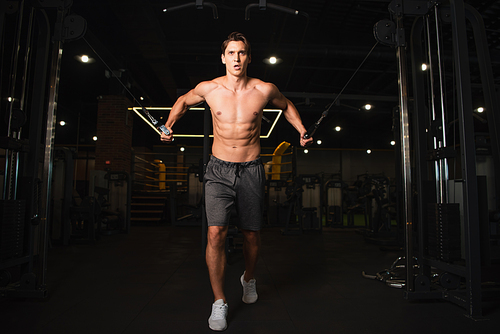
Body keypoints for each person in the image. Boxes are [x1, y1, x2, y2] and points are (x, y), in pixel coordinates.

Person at [160, 31, 313, 331]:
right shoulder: (210, 88)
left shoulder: (264, 89)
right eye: (231, 53)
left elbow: (287, 106)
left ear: (249, 57)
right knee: (215, 233)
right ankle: (219, 302)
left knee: (252, 235)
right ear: (223, 57)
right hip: (218, 170)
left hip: (251, 169)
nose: (237, 58)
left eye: (242, 53)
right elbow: (182, 101)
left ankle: (248, 278)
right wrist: (168, 126)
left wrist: (302, 130)